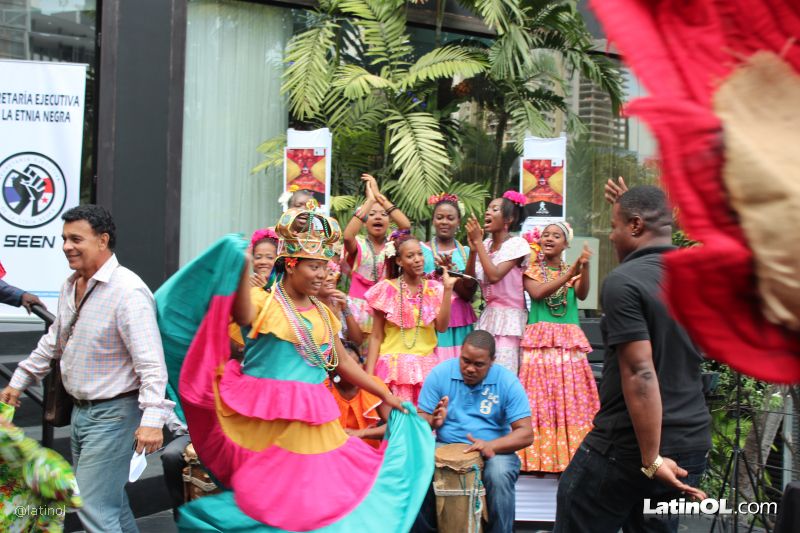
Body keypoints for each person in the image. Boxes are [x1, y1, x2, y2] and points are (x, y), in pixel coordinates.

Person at [155, 205, 434, 531]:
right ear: (290, 264)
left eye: (325, 267)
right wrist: (241, 266)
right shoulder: (262, 302)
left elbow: (343, 362)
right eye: (314, 267)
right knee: (274, 503)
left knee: (324, 500)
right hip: (266, 420)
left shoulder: (323, 313)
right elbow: (242, 315)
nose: (322, 274)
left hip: (313, 421)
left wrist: (385, 393)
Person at [0, 204, 174, 533]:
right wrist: (18, 381)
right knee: (109, 503)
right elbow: (53, 342)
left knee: (94, 506)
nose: (67, 246)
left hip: (115, 416)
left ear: (102, 240)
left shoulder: (128, 291)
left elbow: (151, 363)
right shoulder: (71, 285)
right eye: (64, 239)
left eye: (76, 239)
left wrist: (153, 421)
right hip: (82, 414)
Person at [554, 186, 711, 533]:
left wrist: (651, 459)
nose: (611, 236)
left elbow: (641, 373)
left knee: (577, 508)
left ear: (636, 226)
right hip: (690, 442)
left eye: (615, 226)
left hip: (628, 446)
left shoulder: (624, 281)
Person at [415, 330, 533, 533]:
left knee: (499, 475)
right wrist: (432, 421)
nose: (470, 369)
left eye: (478, 364)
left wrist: (490, 445)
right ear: (460, 353)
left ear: (492, 361)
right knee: (420, 468)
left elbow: (526, 433)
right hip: (446, 445)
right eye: (465, 361)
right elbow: (421, 420)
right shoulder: (440, 374)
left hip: (495, 450)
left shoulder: (507, 381)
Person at [517, 223, 599, 473]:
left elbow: (582, 294)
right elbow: (538, 293)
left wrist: (585, 267)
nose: (549, 238)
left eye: (556, 235)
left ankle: (570, 457)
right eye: (546, 235)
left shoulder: (572, 270)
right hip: (541, 344)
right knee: (539, 400)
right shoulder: (531, 270)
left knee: (570, 399)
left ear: (566, 244)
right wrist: (570, 272)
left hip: (568, 343)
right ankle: (537, 459)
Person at [365, 230, 456, 404]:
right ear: (399, 261)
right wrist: (368, 376)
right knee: (396, 418)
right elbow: (376, 336)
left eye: (420, 254)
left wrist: (448, 289)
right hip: (393, 368)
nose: (417, 259)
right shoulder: (385, 289)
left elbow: (442, 327)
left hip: (425, 368)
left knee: (423, 418)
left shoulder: (435, 289)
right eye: (410, 256)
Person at [465, 191, 531, 374]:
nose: (488, 212)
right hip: (488, 317)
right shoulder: (485, 245)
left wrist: (478, 243)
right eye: (488, 209)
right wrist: (473, 250)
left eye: (495, 209)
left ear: (508, 219)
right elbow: (470, 283)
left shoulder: (517, 244)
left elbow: (494, 276)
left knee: (503, 372)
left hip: (509, 320)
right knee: (482, 371)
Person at [343, 174, 411, 342]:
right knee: (357, 352)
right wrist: (369, 201)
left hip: (386, 307)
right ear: (364, 221)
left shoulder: (393, 243)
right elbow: (347, 236)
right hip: (358, 308)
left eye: (383, 214)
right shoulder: (359, 244)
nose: (378, 217)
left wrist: (380, 197)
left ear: (389, 221)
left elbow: (405, 226)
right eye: (372, 214)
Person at [422, 193, 478, 362]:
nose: (444, 222)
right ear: (433, 220)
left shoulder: (467, 252)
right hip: (431, 319)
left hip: (460, 319)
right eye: (439, 217)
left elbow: (469, 293)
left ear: (458, 222)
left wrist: (452, 271)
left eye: (450, 218)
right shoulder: (421, 251)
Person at [326, 339, 389, 447]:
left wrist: (362, 433)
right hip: (333, 451)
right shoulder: (324, 388)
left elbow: (396, 424)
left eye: (359, 362)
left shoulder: (373, 384)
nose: (358, 369)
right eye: (351, 365)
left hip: (370, 451)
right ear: (334, 372)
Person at [317, 260, 364, 345]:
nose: (330, 278)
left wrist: (345, 308)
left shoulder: (344, 302)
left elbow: (357, 342)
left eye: (331, 273)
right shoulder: (309, 305)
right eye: (324, 275)